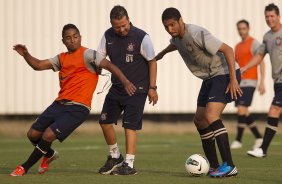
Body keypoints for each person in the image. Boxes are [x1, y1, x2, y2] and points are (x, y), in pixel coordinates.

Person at [10, 24, 136, 176]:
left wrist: (125, 81)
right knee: (32, 134)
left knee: (48, 135)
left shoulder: (88, 54)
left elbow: (109, 65)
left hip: (78, 107)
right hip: (59, 104)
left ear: (80, 37)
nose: (72, 40)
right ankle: (49, 155)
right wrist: (26, 54)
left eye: (75, 37)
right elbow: (38, 65)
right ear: (63, 41)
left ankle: (24, 167)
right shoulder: (61, 58)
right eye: (68, 38)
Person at [156, 7, 242, 178]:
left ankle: (230, 166)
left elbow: (228, 50)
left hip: (224, 73)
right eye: (166, 27)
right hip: (209, 78)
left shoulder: (196, 33)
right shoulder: (175, 38)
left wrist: (233, 79)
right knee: (200, 121)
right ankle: (215, 166)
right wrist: (162, 54)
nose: (170, 29)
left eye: (172, 25)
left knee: (211, 115)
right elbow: (175, 44)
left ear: (181, 20)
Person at [96, 5, 158, 175]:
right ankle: (115, 156)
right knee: (104, 121)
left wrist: (152, 88)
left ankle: (129, 164)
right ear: (111, 24)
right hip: (116, 88)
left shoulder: (141, 37)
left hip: (137, 89)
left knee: (129, 125)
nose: (122, 29)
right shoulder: (107, 35)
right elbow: (100, 58)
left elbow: (152, 62)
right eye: (117, 26)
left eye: (124, 25)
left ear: (129, 19)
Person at [242, 3, 282, 158]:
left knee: (274, 110)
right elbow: (259, 55)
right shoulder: (267, 36)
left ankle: (263, 149)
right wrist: (245, 67)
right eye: (267, 16)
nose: (269, 19)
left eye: (272, 16)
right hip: (277, 82)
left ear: (278, 16)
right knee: (275, 111)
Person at [230, 19, 265, 150]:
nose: (241, 31)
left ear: (248, 28)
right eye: (239, 29)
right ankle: (258, 137)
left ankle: (238, 140)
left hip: (251, 80)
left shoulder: (254, 43)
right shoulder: (237, 46)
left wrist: (262, 81)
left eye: (244, 28)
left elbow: (261, 61)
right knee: (244, 111)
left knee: (241, 109)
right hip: (240, 82)